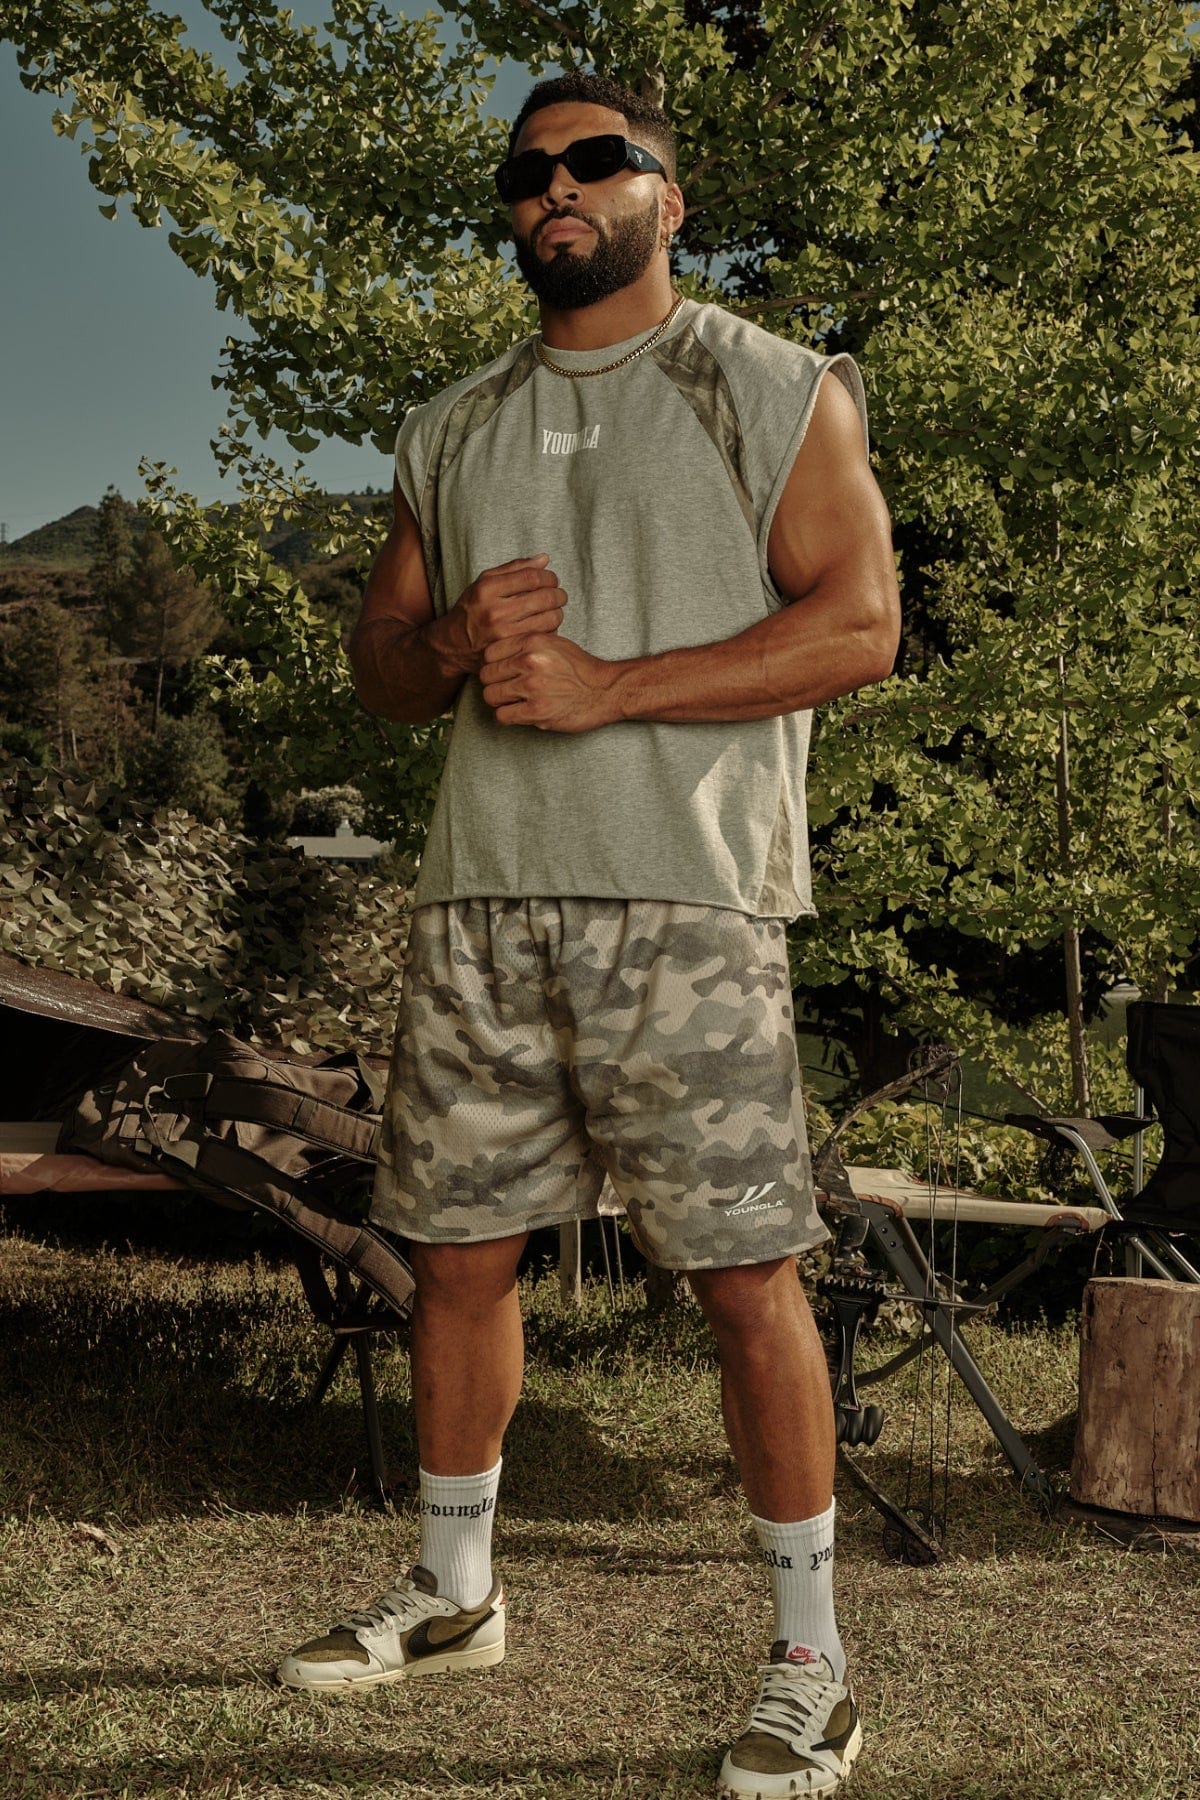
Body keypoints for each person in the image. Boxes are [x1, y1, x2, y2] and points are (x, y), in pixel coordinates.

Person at [278, 71, 901, 1800]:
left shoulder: (770, 385)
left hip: (685, 901)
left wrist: (614, 686)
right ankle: (455, 1591)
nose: (557, 186)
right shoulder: (451, 426)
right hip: (478, 901)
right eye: (529, 171)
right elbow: (382, 669)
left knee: (743, 1276)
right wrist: (453, 640)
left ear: (665, 200)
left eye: (597, 160)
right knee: (457, 1259)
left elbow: (861, 624)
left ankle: (811, 1660)